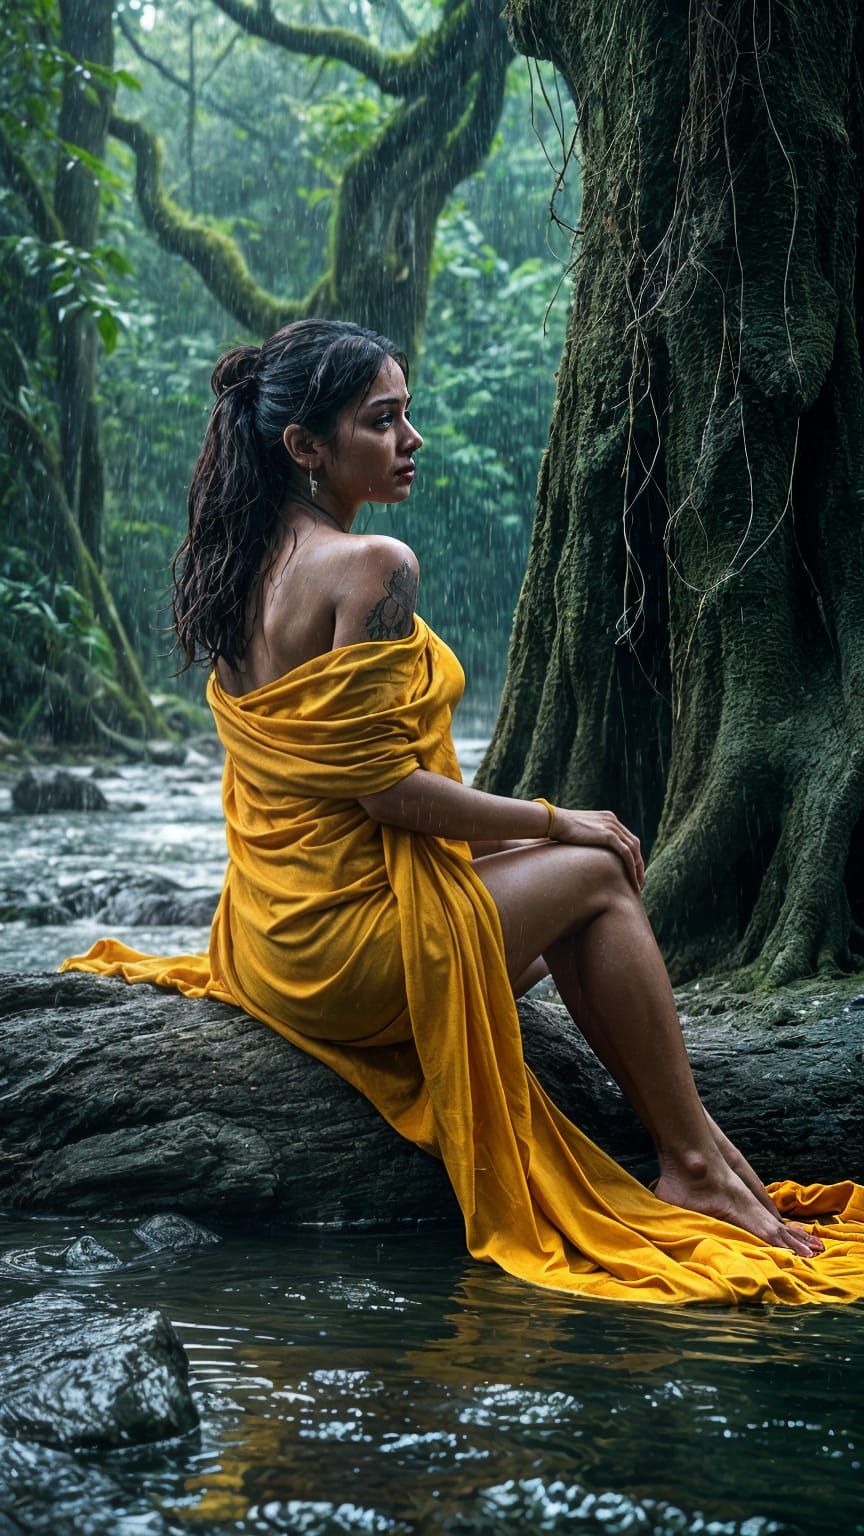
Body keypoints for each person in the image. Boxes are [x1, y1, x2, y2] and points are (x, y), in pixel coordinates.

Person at [62, 319, 864, 1305]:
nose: (412, 438)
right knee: (600, 874)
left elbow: (340, 788)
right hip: (350, 956)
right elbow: (385, 792)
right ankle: (693, 1164)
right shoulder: (373, 566)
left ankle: (708, 1149)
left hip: (271, 940)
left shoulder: (233, 570)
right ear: (304, 448)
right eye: (382, 419)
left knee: (568, 893)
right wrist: (556, 819)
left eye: (408, 414)